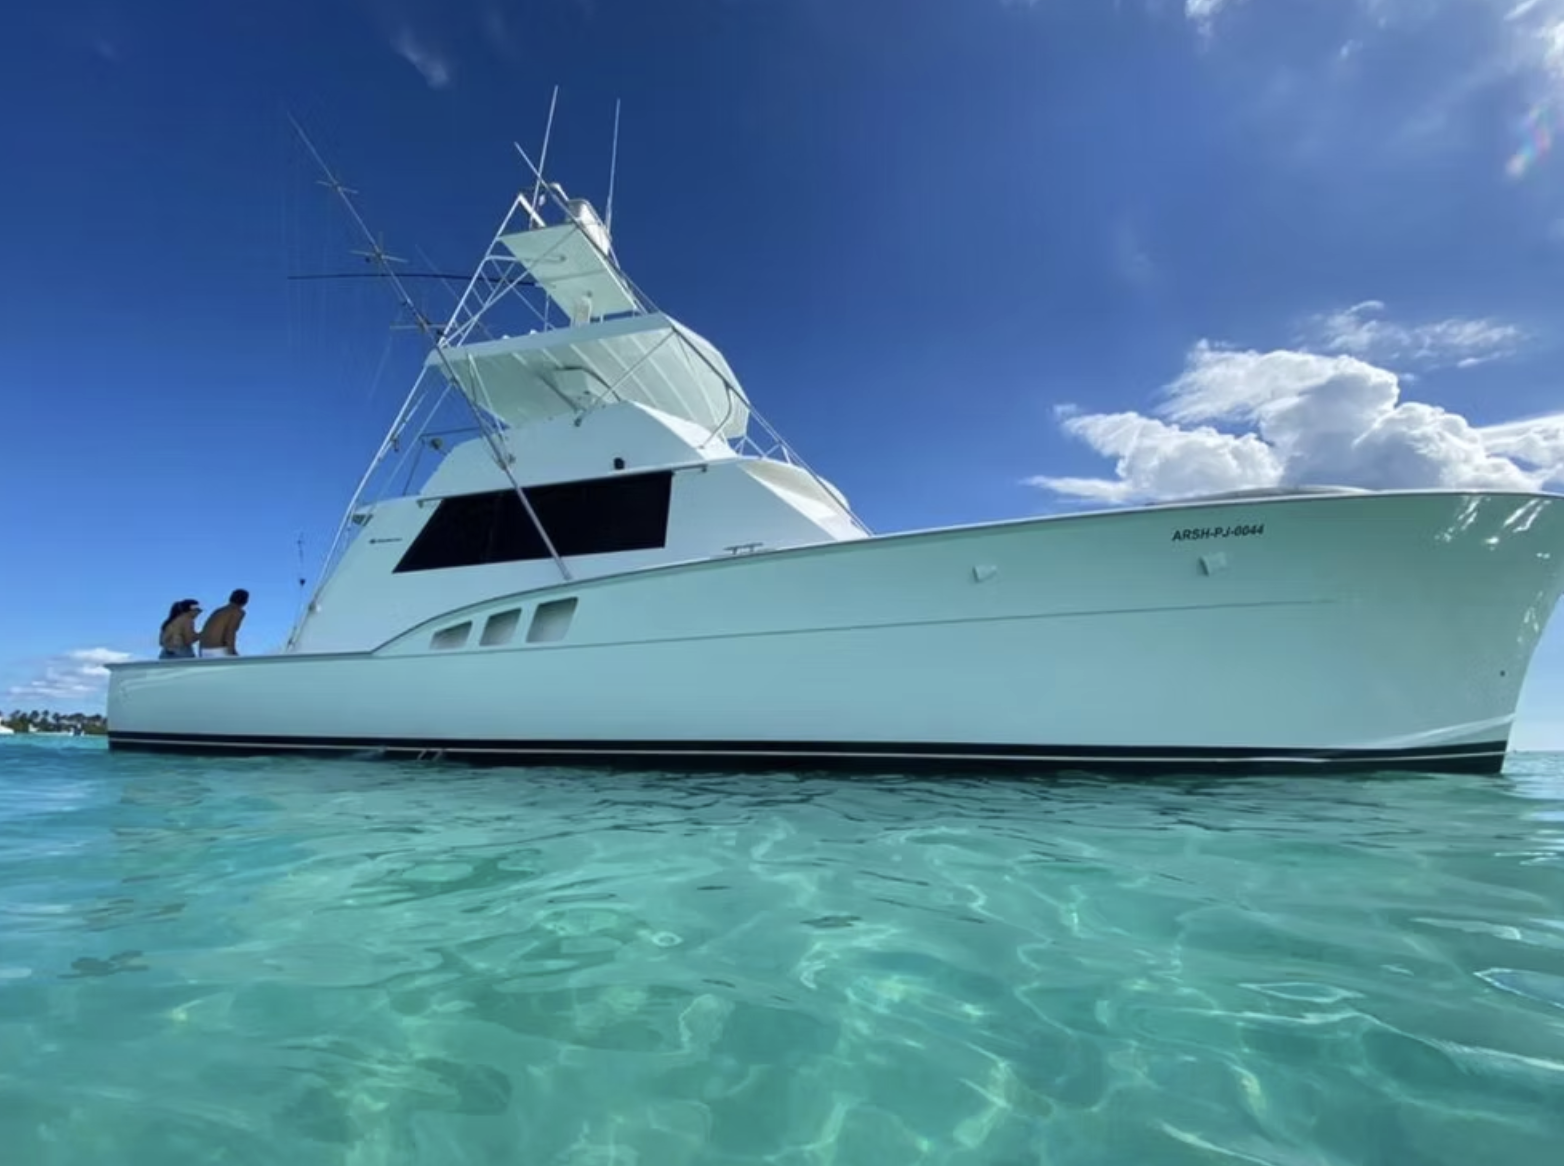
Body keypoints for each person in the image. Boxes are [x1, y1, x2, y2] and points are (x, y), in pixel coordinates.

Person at [198, 589, 249, 657]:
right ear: (246, 601)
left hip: (203, 649)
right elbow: (230, 631)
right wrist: (232, 651)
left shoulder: (218, 611)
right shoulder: (237, 612)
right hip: (218, 649)